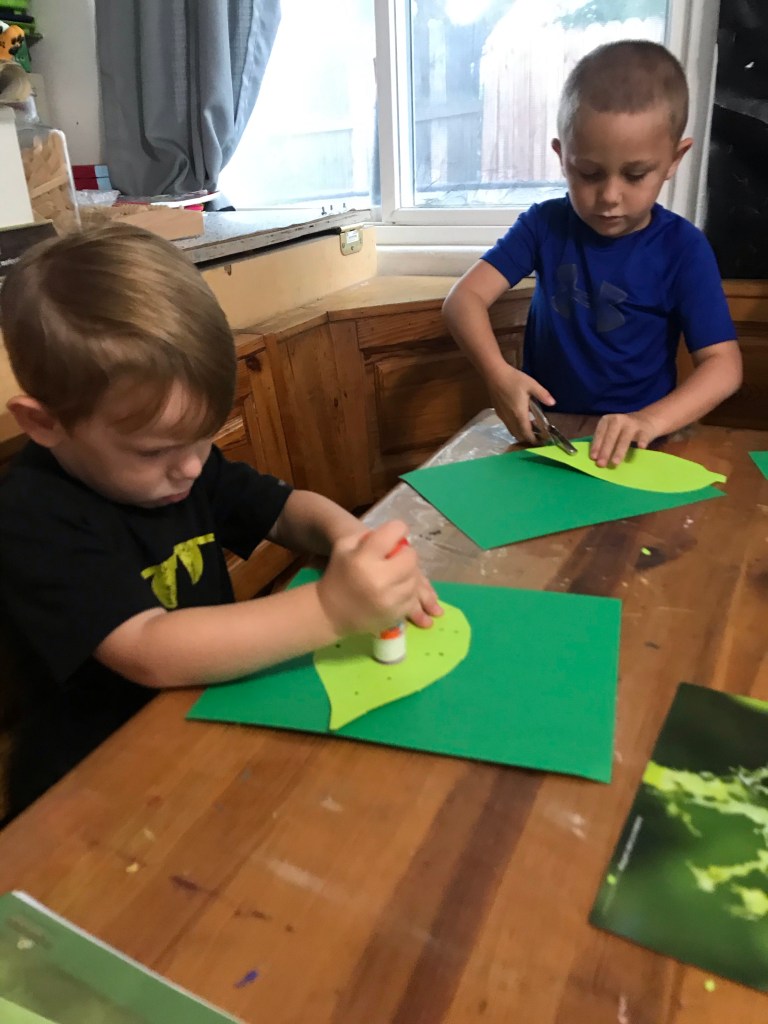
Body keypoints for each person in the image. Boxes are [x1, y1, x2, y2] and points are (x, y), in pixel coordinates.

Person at [0, 224, 441, 819]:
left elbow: (286, 509)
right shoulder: (33, 515)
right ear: (44, 423)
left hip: (204, 721)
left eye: (204, 436)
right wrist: (332, 608)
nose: (190, 467)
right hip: (94, 785)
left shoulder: (182, 467)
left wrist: (353, 541)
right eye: (155, 451)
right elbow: (147, 649)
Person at [443, 40, 742, 468]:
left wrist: (650, 420)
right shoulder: (544, 225)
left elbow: (723, 366)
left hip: (640, 446)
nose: (610, 196)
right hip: (549, 435)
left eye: (635, 175)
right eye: (588, 173)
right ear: (562, 157)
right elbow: (463, 300)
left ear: (674, 159)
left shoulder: (684, 249)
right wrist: (497, 373)